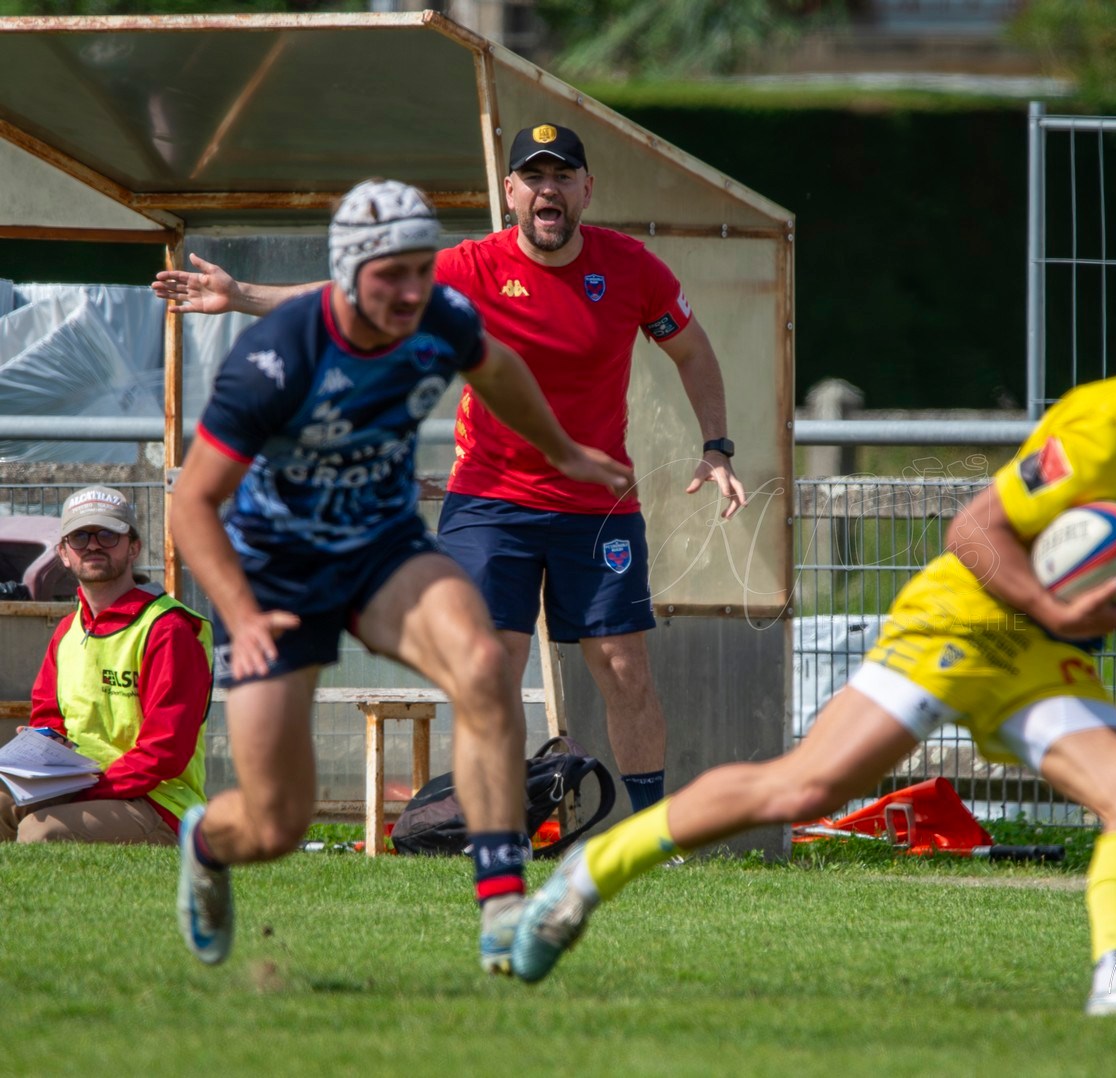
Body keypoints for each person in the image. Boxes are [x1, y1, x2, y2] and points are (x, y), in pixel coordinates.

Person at [504, 274, 1116, 1013]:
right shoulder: (1114, 423)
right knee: (808, 785)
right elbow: (973, 530)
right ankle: (585, 877)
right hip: (961, 623)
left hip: (1038, 659)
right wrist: (1060, 599)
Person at [153, 124, 746, 816]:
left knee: (623, 667)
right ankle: (505, 831)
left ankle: (653, 833)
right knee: (493, 666)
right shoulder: (470, 266)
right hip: (492, 501)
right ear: (510, 192)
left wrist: (717, 446)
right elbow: (352, 294)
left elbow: (693, 351)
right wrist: (242, 295)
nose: (548, 190)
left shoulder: (631, 268)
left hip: (595, 505)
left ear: (587, 189)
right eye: (534, 177)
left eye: (562, 176)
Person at [167, 179, 632, 974]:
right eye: (392, 274)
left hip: (384, 548)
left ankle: (501, 904)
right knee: (275, 824)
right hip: (279, 575)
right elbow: (191, 504)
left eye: (424, 269)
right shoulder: (278, 356)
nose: (413, 291)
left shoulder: (439, 316)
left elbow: (498, 368)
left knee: (482, 665)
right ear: (349, 273)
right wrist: (240, 615)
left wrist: (561, 450)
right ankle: (207, 844)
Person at [0, 486, 212, 846]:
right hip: (80, 787)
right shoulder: (67, 630)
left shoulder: (168, 629)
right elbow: (50, 719)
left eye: (108, 535)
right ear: (63, 553)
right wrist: (41, 743)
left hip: (158, 800)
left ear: (134, 548)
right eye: (80, 537)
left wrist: (85, 791)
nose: (93, 545)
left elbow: (166, 752)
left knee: (41, 832)